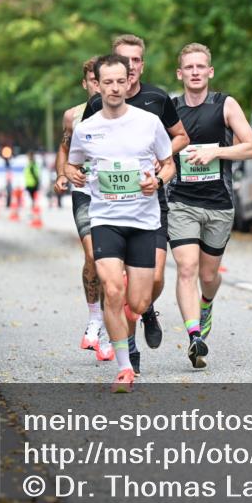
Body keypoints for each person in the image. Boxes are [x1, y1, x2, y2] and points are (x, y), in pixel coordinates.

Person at [69, 35, 190, 370]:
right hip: (109, 212)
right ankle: (128, 358)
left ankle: (146, 308)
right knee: (113, 285)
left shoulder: (156, 102)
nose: (130, 70)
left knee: (149, 285)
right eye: (123, 63)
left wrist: (158, 169)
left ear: (139, 66)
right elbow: (77, 153)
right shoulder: (94, 111)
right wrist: (71, 172)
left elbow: (179, 139)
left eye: (136, 62)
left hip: (150, 204)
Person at [167, 43, 252, 368]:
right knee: (186, 268)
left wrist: (216, 152)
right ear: (180, 73)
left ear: (210, 72)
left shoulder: (225, 105)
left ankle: (206, 305)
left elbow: (251, 147)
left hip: (219, 204)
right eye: (188, 67)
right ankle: (194, 337)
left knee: (208, 275)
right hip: (182, 202)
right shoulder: (171, 109)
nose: (194, 72)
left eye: (200, 66)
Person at [55, 57, 112, 360]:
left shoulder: (121, 112)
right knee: (93, 254)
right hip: (85, 192)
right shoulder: (72, 116)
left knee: (113, 263)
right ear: (86, 83)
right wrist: (62, 174)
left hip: (115, 194)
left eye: (98, 79)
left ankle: (111, 319)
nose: (96, 85)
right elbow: (64, 148)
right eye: (91, 80)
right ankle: (95, 317)